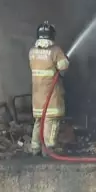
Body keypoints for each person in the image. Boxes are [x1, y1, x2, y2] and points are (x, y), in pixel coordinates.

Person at [29, 21, 69, 154]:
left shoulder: (32, 52)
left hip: (37, 95)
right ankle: (49, 148)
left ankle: (35, 147)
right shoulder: (55, 51)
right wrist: (65, 58)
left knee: (39, 121)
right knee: (51, 121)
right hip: (51, 95)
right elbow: (63, 66)